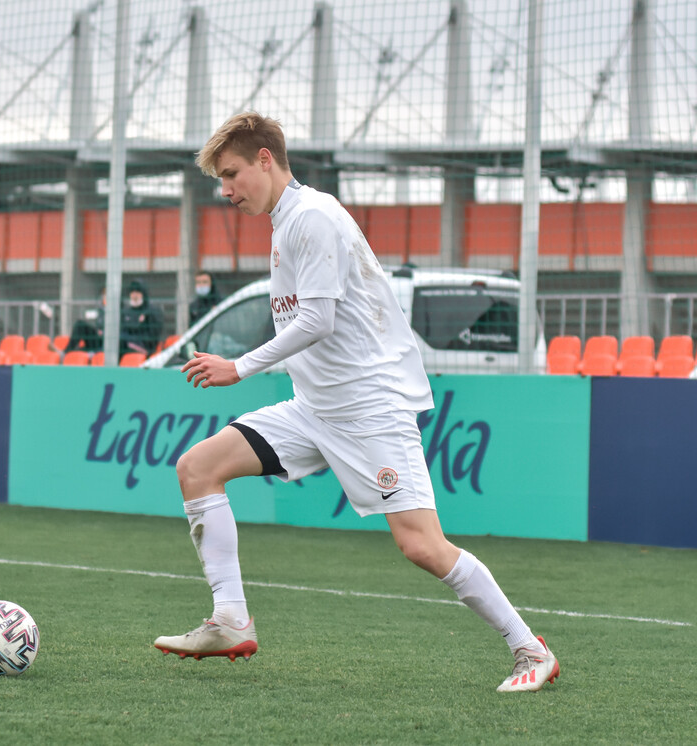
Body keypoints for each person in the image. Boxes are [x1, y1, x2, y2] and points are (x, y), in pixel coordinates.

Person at [152, 112, 559, 693]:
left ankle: (530, 649)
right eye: (221, 178)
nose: (226, 190)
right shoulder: (285, 221)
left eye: (232, 173)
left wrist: (239, 367)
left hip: (370, 408)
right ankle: (230, 620)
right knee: (198, 468)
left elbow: (318, 320)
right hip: (314, 408)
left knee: (420, 545)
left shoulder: (312, 217)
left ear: (265, 160)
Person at [119, 279, 163, 357]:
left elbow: (153, 336)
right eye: (132, 292)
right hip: (126, 344)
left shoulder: (152, 311)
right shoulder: (127, 312)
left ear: (143, 294)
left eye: (137, 292)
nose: (134, 295)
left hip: (145, 347)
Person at [64, 286, 107, 354]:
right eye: (103, 295)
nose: (104, 297)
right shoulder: (100, 311)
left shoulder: (118, 312)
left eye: (106, 295)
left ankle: (67, 352)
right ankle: (67, 352)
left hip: (105, 343)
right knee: (80, 324)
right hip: (96, 340)